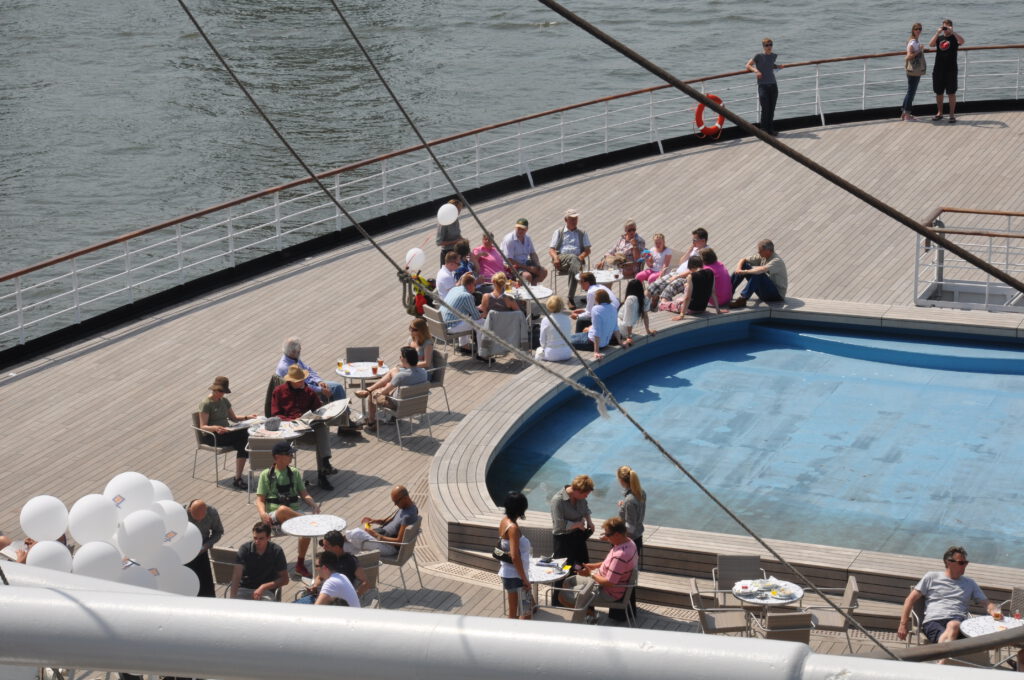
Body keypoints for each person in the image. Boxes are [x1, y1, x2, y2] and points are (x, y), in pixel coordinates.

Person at [898, 546, 1002, 652]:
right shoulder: (931, 577)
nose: (965, 565)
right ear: (948, 563)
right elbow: (909, 600)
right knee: (953, 627)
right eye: (961, 563)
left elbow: (986, 604)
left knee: (954, 625)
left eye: (966, 563)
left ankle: (942, 663)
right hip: (934, 622)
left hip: (960, 622)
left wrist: (994, 610)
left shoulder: (970, 583)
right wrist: (903, 624)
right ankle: (945, 661)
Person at [255, 442, 321, 578]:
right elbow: (260, 499)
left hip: (294, 516)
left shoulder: (294, 473)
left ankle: (300, 564)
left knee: (305, 529)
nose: (292, 456)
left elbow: (304, 493)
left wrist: (313, 504)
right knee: (283, 509)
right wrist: (262, 513)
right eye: (288, 454)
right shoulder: (266, 475)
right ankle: (307, 521)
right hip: (275, 518)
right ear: (277, 457)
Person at [558, 517, 638, 624]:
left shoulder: (620, 556)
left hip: (607, 592)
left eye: (608, 535)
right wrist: (594, 566)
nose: (606, 537)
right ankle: (586, 611)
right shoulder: (629, 543)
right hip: (600, 581)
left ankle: (589, 614)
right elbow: (610, 563)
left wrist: (590, 573)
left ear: (617, 534)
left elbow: (609, 583)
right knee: (569, 582)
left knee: (562, 596)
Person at [270, 364, 336, 490]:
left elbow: (317, 410)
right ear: (291, 381)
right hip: (288, 431)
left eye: (303, 379)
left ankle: (324, 468)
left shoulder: (308, 391)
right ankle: (283, 478)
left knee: (322, 428)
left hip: (306, 429)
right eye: (299, 380)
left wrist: (321, 414)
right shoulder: (278, 392)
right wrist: (292, 420)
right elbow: (275, 414)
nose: (302, 382)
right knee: (281, 446)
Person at [197, 376, 258, 490]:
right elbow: (203, 426)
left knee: (243, 442)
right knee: (245, 436)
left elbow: (233, 418)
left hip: (226, 432)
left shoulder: (224, 401)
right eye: (220, 391)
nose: (222, 394)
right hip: (213, 436)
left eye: (223, 391)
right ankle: (254, 459)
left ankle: (238, 477)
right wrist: (215, 428)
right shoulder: (206, 404)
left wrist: (247, 417)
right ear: (214, 389)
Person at [358, 346, 428, 430]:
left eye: (401, 356)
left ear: (405, 359)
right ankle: (369, 390)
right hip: (417, 404)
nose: (399, 358)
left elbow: (384, 392)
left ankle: (371, 422)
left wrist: (382, 390)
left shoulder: (401, 376)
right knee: (393, 371)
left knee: (372, 394)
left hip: (399, 405)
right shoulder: (423, 372)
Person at [345, 485, 419, 558]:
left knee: (356, 534)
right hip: (382, 537)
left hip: (389, 547)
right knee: (347, 545)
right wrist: (374, 521)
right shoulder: (405, 507)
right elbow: (387, 521)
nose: (395, 504)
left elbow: (399, 542)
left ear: (405, 498)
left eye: (396, 502)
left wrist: (377, 536)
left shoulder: (408, 516)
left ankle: (339, 541)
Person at [646, 228, 708, 307]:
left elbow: (696, 270)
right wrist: (690, 250)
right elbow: (681, 262)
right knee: (652, 286)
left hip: (686, 278)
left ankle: (664, 308)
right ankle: (643, 307)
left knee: (665, 293)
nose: (693, 242)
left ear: (703, 240)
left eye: (695, 240)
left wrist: (677, 276)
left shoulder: (705, 253)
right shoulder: (695, 249)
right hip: (677, 273)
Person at [229, 521, 288, 601]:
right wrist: (232, 598)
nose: (257, 542)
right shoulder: (245, 549)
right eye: (255, 538)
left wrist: (263, 587)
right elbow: (237, 576)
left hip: (266, 591)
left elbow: (285, 579)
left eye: (261, 538)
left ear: (268, 538)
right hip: (244, 589)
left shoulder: (276, 551)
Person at [275, 337, 346, 403]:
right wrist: (320, 390)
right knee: (337, 387)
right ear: (292, 352)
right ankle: (344, 413)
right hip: (303, 391)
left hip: (312, 383)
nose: (300, 352)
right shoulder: (286, 367)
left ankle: (344, 412)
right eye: (298, 351)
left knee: (336, 387)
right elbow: (301, 385)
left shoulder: (293, 358)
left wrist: (319, 381)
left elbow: (309, 370)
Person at [498, 491, 533, 620]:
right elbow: (514, 556)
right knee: (525, 613)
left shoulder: (504, 521)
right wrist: (524, 579)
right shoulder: (513, 528)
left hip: (509, 574)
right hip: (516, 576)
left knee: (514, 612)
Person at [550, 474, 595, 569]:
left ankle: (582, 583)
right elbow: (559, 525)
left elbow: (585, 508)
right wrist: (577, 524)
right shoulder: (558, 501)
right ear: (577, 491)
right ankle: (563, 584)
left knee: (582, 567)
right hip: (563, 540)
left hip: (578, 537)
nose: (586, 497)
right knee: (565, 569)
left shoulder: (580, 498)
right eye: (585, 494)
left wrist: (589, 521)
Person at [548, 209, 591, 305]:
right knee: (573, 258)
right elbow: (551, 249)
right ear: (565, 220)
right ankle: (585, 294)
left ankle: (570, 298)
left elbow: (587, 250)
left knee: (574, 264)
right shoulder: (559, 232)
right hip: (561, 260)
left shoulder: (582, 233)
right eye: (571, 219)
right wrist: (555, 258)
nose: (574, 221)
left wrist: (579, 258)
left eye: (576, 218)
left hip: (577, 260)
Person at [729, 239, 788, 307]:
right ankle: (728, 292)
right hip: (765, 292)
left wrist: (745, 272)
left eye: (760, 251)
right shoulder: (763, 256)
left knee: (759, 273)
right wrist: (738, 269)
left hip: (776, 296)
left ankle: (743, 299)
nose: (758, 252)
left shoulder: (777, 261)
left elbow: (762, 269)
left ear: (768, 251)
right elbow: (743, 259)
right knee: (744, 265)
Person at [184, 499, 223, 598]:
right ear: (189, 510)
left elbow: (218, 532)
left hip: (201, 552)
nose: (199, 521)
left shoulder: (212, 513)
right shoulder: (180, 513)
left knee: (207, 587)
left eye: (202, 519)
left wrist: (206, 546)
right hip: (183, 555)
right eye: (196, 519)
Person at [746, 38, 784, 136]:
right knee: (765, 108)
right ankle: (763, 131)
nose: (769, 47)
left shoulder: (773, 56)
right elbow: (748, 65)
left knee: (772, 108)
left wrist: (777, 66)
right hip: (763, 86)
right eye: (767, 45)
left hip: (773, 85)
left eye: (770, 45)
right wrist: (756, 71)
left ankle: (770, 129)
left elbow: (769, 65)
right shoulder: (758, 56)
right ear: (763, 46)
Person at [294, 551, 361, 607]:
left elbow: (316, 609)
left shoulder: (331, 583)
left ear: (324, 568)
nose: (315, 569)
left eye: (316, 566)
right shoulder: (341, 576)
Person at [930, 20, 965, 123]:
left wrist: (953, 32)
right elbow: (931, 44)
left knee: (951, 93)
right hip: (938, 69)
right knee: (938, 92)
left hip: (951, 70)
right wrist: (938, 33)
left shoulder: (954, 38)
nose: (945, 30)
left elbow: (962, 42)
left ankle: (952, 115)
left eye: (947, 28)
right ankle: (939, 113)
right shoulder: (939, 38)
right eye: (944, 27)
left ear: (951, 27)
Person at [570, 288, 618, 359]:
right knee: (570, 337)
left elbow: (597, 332)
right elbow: (615, 327)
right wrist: (620, 341)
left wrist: (596, 351)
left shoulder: (596, 309)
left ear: (597, 299)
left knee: (566, 341)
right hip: (604, 341)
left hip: (592, 342)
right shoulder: (613, 307)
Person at [441, 272, 482, 352]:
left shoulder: (454, 289)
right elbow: (476, 317)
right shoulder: (467, 296)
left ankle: (464, 345)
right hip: (451, 327)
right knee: (482, 322)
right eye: (475, 285)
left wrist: (476, 308)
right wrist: (486, 313)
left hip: (442, 323)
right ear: (470, 285)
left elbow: (461, 307)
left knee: (465, 317)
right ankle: (482, 352)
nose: (475, 288)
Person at [670, 255, 720, 320]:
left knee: (669, 304)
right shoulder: (710, 272)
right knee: (679, 300)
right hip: (702, 308)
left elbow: (688, 297)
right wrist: (718, 310)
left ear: (692, 267)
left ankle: (662, 303)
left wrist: (682, 315)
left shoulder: (691, 276)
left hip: (691, 309)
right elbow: (713, 292)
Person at [500, 218, 547, 284]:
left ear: (527, 229)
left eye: (523, 229)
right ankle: (530, 289)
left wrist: (537, 265)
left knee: (543, 271)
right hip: (511, 266)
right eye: (518, 228)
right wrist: (529, 268)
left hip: (524, 262)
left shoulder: (527, 238)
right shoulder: (509, 240)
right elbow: (509, 260)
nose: (520, 231)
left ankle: (533, 287)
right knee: (527, 276)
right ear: (515, 227)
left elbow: (532, 253)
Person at [534, 295, 573, 362]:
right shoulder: (567, 318)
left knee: (538, 352)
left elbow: (542, 340)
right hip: (567, 353)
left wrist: (544, 347)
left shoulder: (545, 320)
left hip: (551, 354)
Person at [617, 279, 655, 348]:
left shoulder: (630, 299)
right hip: (624, 328)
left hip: (620, 327)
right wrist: (648, 330)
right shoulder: (644, 299)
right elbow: (645, 316)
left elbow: (629, 319)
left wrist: (629, 336)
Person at [902, 23, 925, 121]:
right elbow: (909, 56)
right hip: (913, 70)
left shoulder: (914, 40)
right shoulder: (912, 42)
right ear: (913, 30)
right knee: (911, 92)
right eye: (916, 29)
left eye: (920, 29)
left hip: (914, 70)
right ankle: (907, 114)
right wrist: (919, 51)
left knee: (910, 91)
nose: (918, 31)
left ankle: (904, 113)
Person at [435, 198, 463, 267]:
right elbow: (439, 242)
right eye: (458, 210)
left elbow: (457, 234)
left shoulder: (455, 219)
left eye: (460, 210)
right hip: (447, 253)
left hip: (457, 250)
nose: (459, 212)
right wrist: (454, 242)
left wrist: (463, 240)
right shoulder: (443, 222)